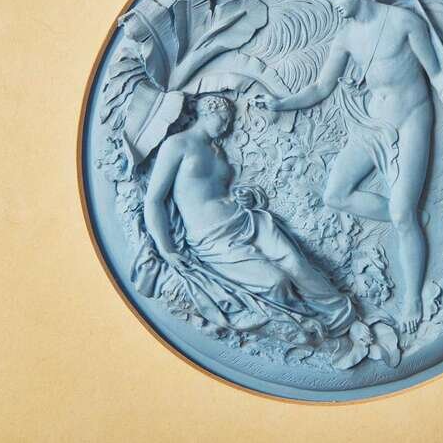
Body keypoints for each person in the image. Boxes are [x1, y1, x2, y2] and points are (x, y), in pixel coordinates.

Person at [253, 0, 443, 333]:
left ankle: (412, 296)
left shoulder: (404, 22)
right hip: (373, 123)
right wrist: (280, 104)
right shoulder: (346, 37)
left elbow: (436, 73)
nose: (334, 2)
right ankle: (408, 218)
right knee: (336, 195)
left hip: (411, 121)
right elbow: (320, 88)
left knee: (401, 214)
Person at [135, 93, 373, 352]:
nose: (226, 127)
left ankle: (346, 319)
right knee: (275, 282)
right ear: (209, 111)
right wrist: (166, 249)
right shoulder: (177, 145)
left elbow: (219, 192)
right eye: (224, 119)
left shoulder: (217, 151)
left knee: (298, 265)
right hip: (213, 239)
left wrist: (244, 196)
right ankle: (316, 328)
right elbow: (154, 200)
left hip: (247, 221)